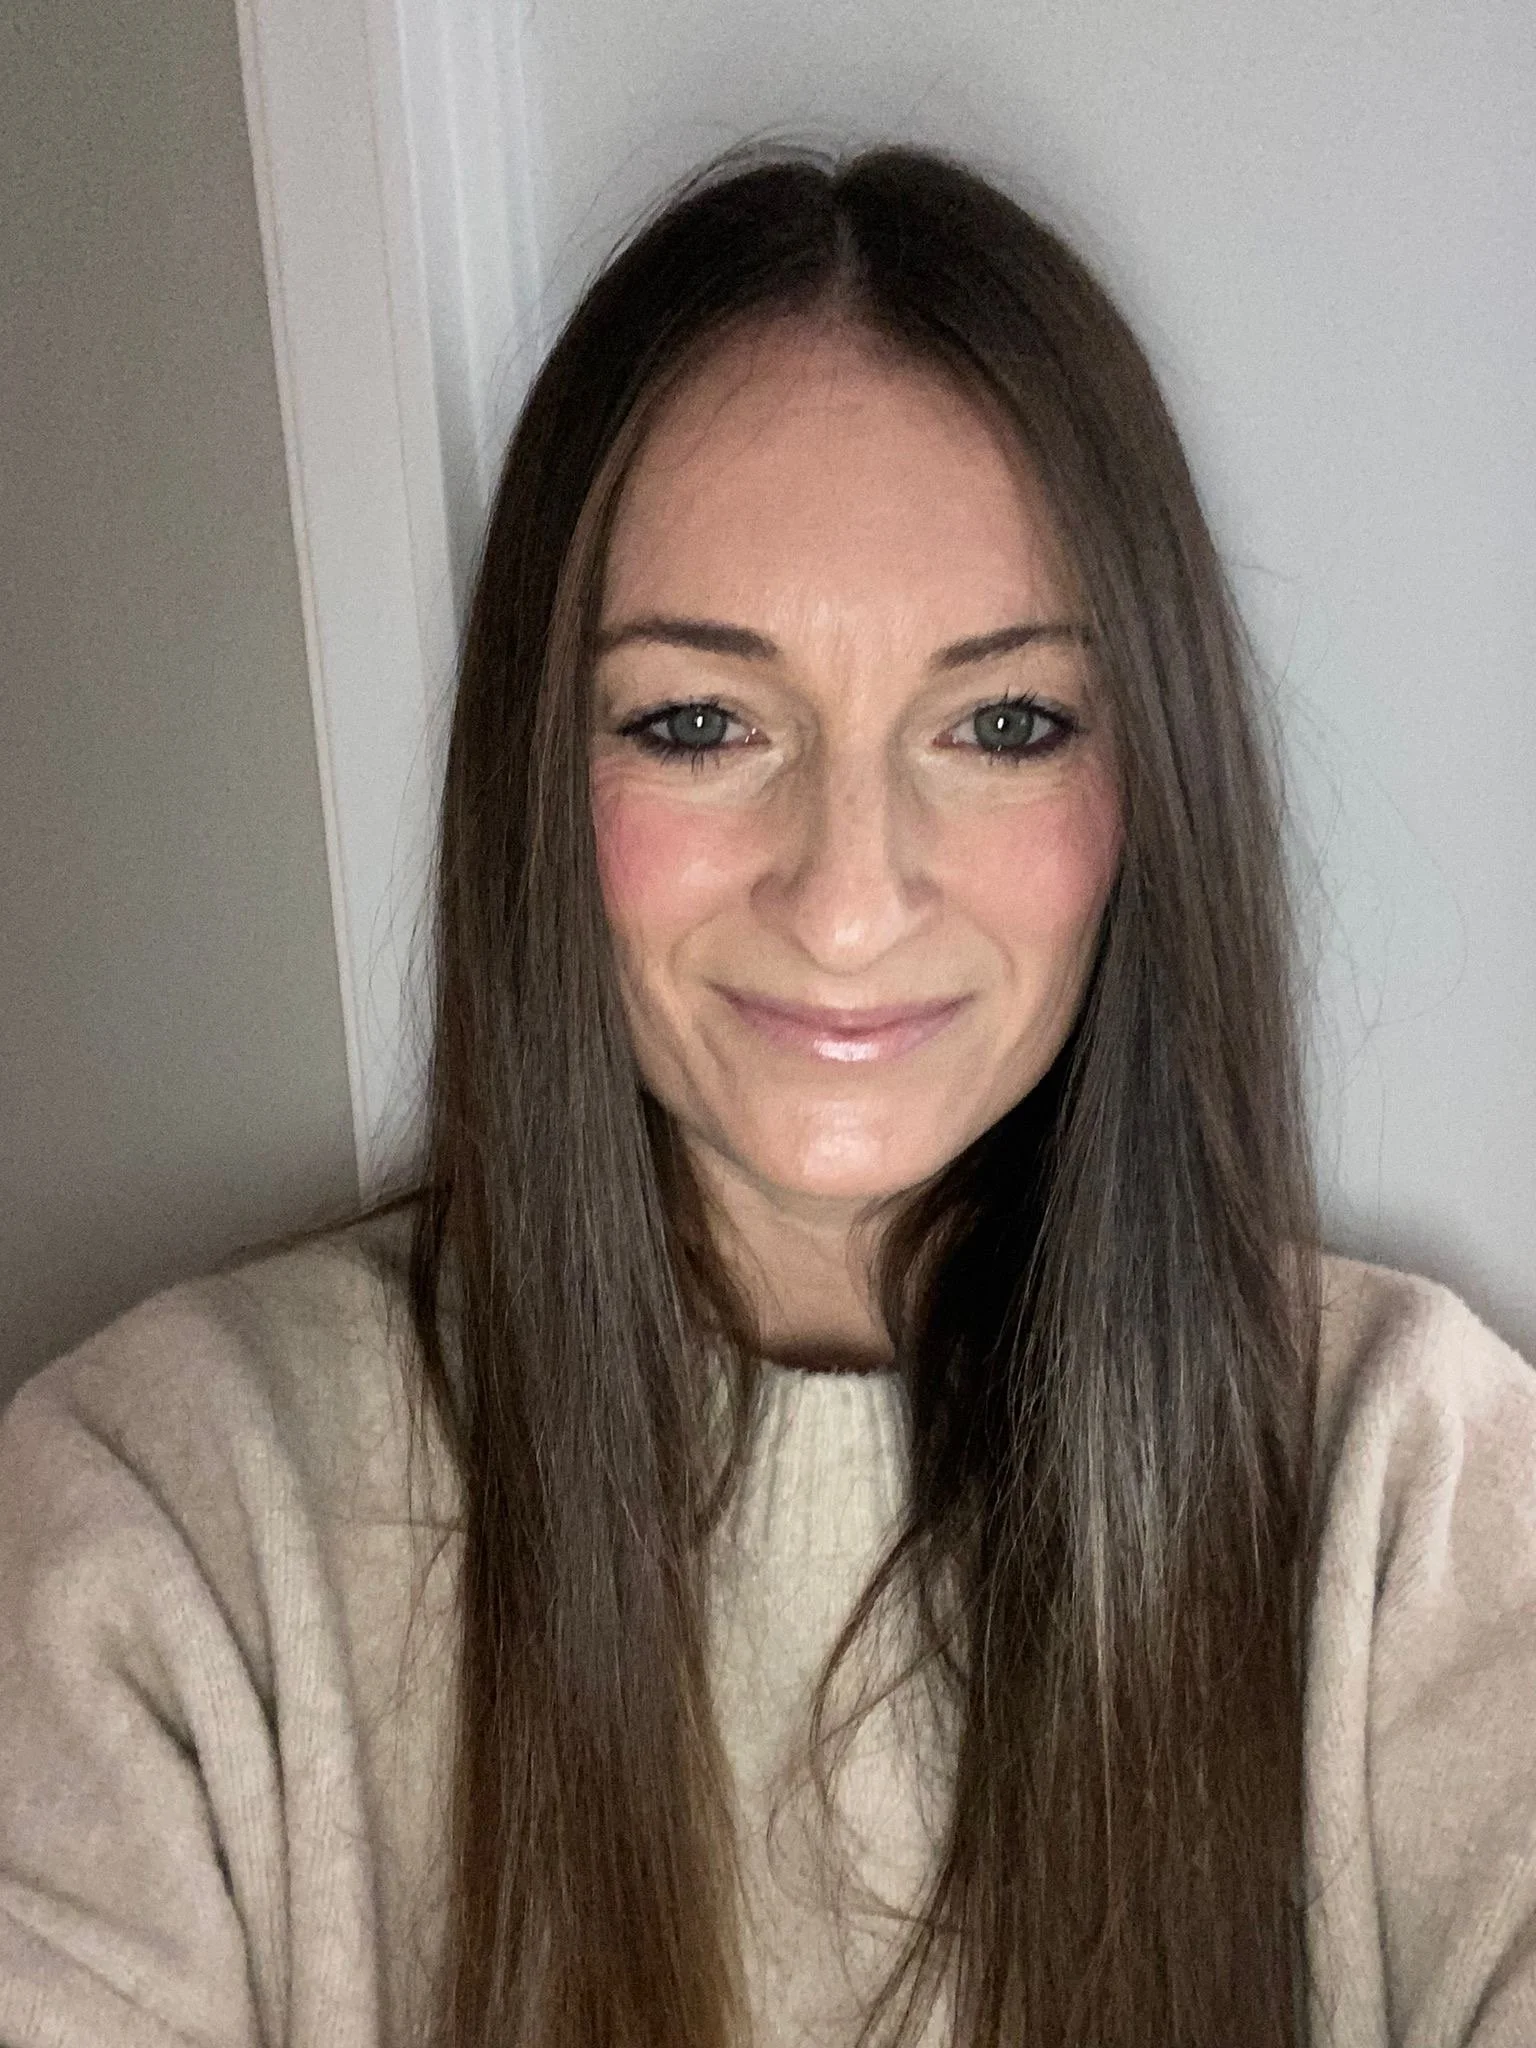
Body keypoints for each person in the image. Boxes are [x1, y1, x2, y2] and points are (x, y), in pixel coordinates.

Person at [1, 144, 1534, 2048]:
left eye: (1003, 724)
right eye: (702, 724)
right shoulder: (166, 1533)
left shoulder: (1420, 1497)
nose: (848, 893)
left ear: (1151, 790)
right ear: (539, 784)